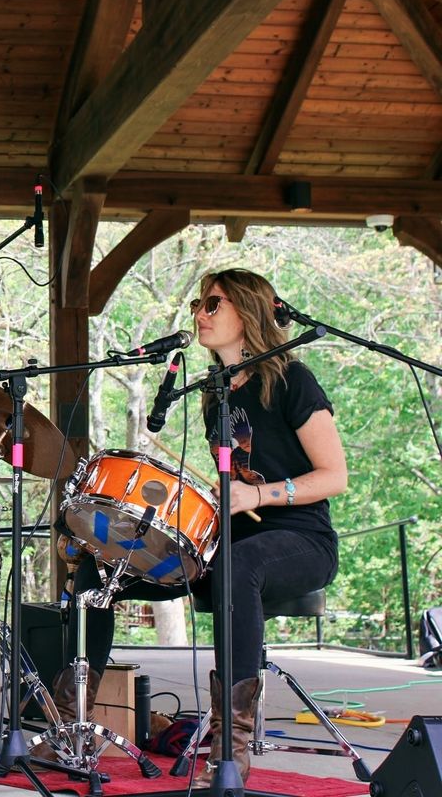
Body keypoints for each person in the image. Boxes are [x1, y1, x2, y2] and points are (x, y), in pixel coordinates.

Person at [40, 268, 347, 786]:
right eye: (198, 305)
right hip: (226, 543)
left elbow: (334, 476)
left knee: (238, 564)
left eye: (212, 304)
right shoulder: (214, 392)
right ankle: (71, 728)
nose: (199, 314)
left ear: (247, 312)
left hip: (301, 539)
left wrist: (260, 494)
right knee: (100, 565)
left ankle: (232, 750)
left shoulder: (293, 380)